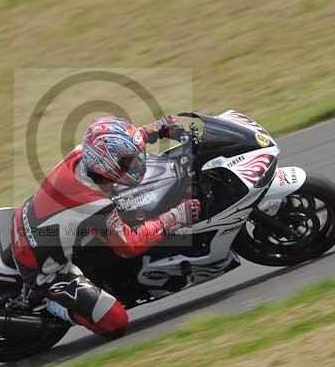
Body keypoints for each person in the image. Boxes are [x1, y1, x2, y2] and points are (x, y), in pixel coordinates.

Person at [11, 116, 201, 338]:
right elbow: (130, 246)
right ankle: (53, 306)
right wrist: (176, 216)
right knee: (115, 322)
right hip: (43, 267)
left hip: (33, 224)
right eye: (129, 161)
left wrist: (155, 130)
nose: (137, 164)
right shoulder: (93, 204)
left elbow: (114, 144)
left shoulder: (82, 154)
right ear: (107, 164)